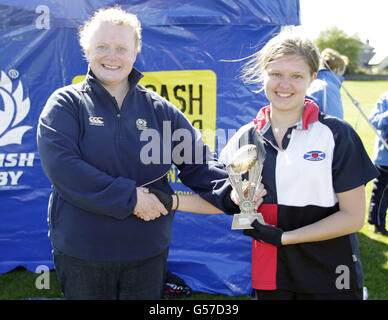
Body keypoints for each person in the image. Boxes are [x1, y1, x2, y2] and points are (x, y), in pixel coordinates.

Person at [36, 6, 265, 300]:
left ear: (135, 52)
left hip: (147, 251)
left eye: (122, 48)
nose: (112, 56)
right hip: (83, 251)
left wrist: (233, 191)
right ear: (87, 50)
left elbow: (199, 165)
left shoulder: (160, 110)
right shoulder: (67, 103)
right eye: (102, 47)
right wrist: (130, 199)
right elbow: (63, 168)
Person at [219, 32, 378, 300]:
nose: (285, 84)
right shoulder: (246, 137)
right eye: (276, 73)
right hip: (271, 270)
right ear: (263, 74)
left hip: (330, 269)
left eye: (297, 76)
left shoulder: (337, 134)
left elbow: (353, 217)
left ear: (312, 79)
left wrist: (284, 238)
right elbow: (226, 191)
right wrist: (236, 195)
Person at [306, 48, 349, 119]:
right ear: (337, 69)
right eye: (342, 73)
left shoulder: (312, 82)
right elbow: (335, 122)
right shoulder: (327, 88)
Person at [368, 92, 388, 236]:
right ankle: (378, 223)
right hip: (385, 157)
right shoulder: (384, 99)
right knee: (382, 192)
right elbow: (374, 121)